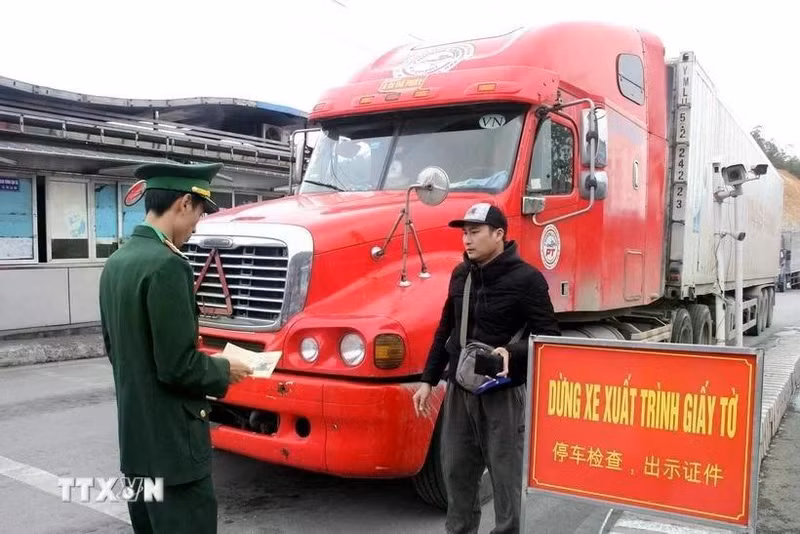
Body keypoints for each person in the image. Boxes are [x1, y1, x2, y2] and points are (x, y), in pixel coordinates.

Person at [99, 162, 253, 534]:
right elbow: (176, 366)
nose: (197, 225)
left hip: (137, 447)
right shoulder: (168, 266)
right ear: (184, 203)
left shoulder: (118, 262)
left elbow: (114, 349)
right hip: (174, 452)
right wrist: (224, 368)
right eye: (199, 213)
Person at [412, 202, 560, 534]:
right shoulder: (460, 275)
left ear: (499, 234)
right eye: (465, 233)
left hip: (503, 395)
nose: (467, 240)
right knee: (458, 475)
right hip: (460, 391)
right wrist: (428, 379)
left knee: (505, 481)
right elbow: (445, 329)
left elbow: (550, 337)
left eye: (475, 232)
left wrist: (513, 353)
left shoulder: (528, 279)